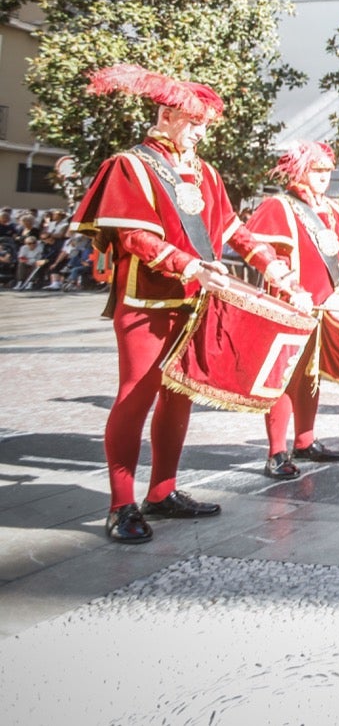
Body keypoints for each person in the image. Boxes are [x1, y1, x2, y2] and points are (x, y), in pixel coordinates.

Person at [70, 64, 309, 544]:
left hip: (195, 300)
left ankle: (162, 492)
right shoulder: (130, 164)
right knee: (136, 395)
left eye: (205, 123)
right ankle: (121, 504)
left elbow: (230, 229)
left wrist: (273, 267)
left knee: (180, 394)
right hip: (146, 301)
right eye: (196, 121)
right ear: (169, 114)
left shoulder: (205, 173)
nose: (202, 131)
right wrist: (189, 265)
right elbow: (131, 235)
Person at [247, 141, 339, 478]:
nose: (326, 176)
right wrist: (289, 288)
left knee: (311, 373)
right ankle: (276, 452)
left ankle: (305, 441)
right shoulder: (278, 207)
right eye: (317, 170)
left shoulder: (334, 210)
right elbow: (265, 255)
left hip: (324, 305)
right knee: (282, 378)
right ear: (299, 170)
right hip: (289, 305)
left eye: (328, 170)